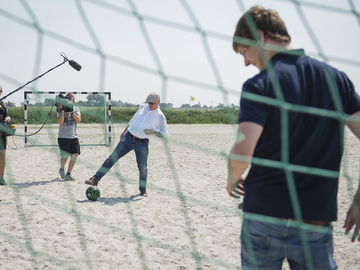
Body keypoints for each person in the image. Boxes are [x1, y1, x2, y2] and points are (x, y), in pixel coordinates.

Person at [227, 6, 360, 270]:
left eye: (244, 52)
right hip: (315, 220)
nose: (246, 62)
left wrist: (232, 177)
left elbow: (243, 151)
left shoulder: (259, 85)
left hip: (263, 216)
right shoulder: (338, 80)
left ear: (260, 37)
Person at [85, 92, 168, 196]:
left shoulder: (160, 116)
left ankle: (143, 190)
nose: (149, 105)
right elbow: (133, 120)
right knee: (111, 158)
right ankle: (95, 179)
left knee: (142, 167)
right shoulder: (142, 107)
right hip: (128, 138)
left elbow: (165, 134)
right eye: (148, 103)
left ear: (158, 102)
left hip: (142, 143)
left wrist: (153, 132)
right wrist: (125, 131)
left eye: (151, 103)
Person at [57, 92, 81, 181]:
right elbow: (60, 122)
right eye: (69, 98)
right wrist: (63, 110)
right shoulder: (60, 109)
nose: (72, 100)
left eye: (73, 99)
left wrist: (72, 112)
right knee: (65, 156)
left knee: (75, 154)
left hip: (73, 136)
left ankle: (68, 174)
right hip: (63, 137)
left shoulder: (76, 109)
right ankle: (62, 169)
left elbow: (78, 120)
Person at [0, 86, 11, 185]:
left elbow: (5, 115)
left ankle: (1, 178)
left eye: (0, 91)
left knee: (2, 156)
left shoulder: (2, 103)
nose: (0, 93)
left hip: (2, 132)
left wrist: (7, 118)